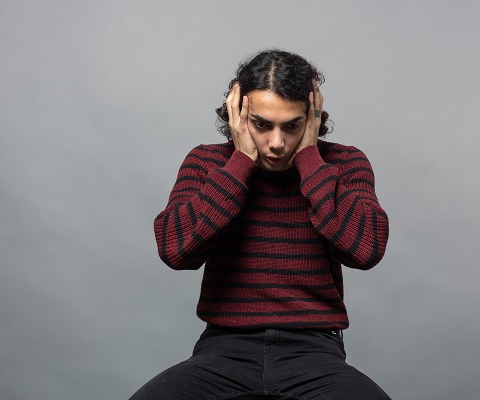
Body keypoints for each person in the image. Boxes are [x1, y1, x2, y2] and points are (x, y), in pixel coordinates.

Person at [129, 49, 391, 400]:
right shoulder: (208, 161)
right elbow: (176, 252)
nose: (277, 143)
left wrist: (310, 158)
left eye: (293, 126)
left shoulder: (344, 163)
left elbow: (365, 251)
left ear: (312, 118)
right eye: (262, 125)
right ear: (238, 116)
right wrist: (240, 162)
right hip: (223, 350)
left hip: (313, 351)